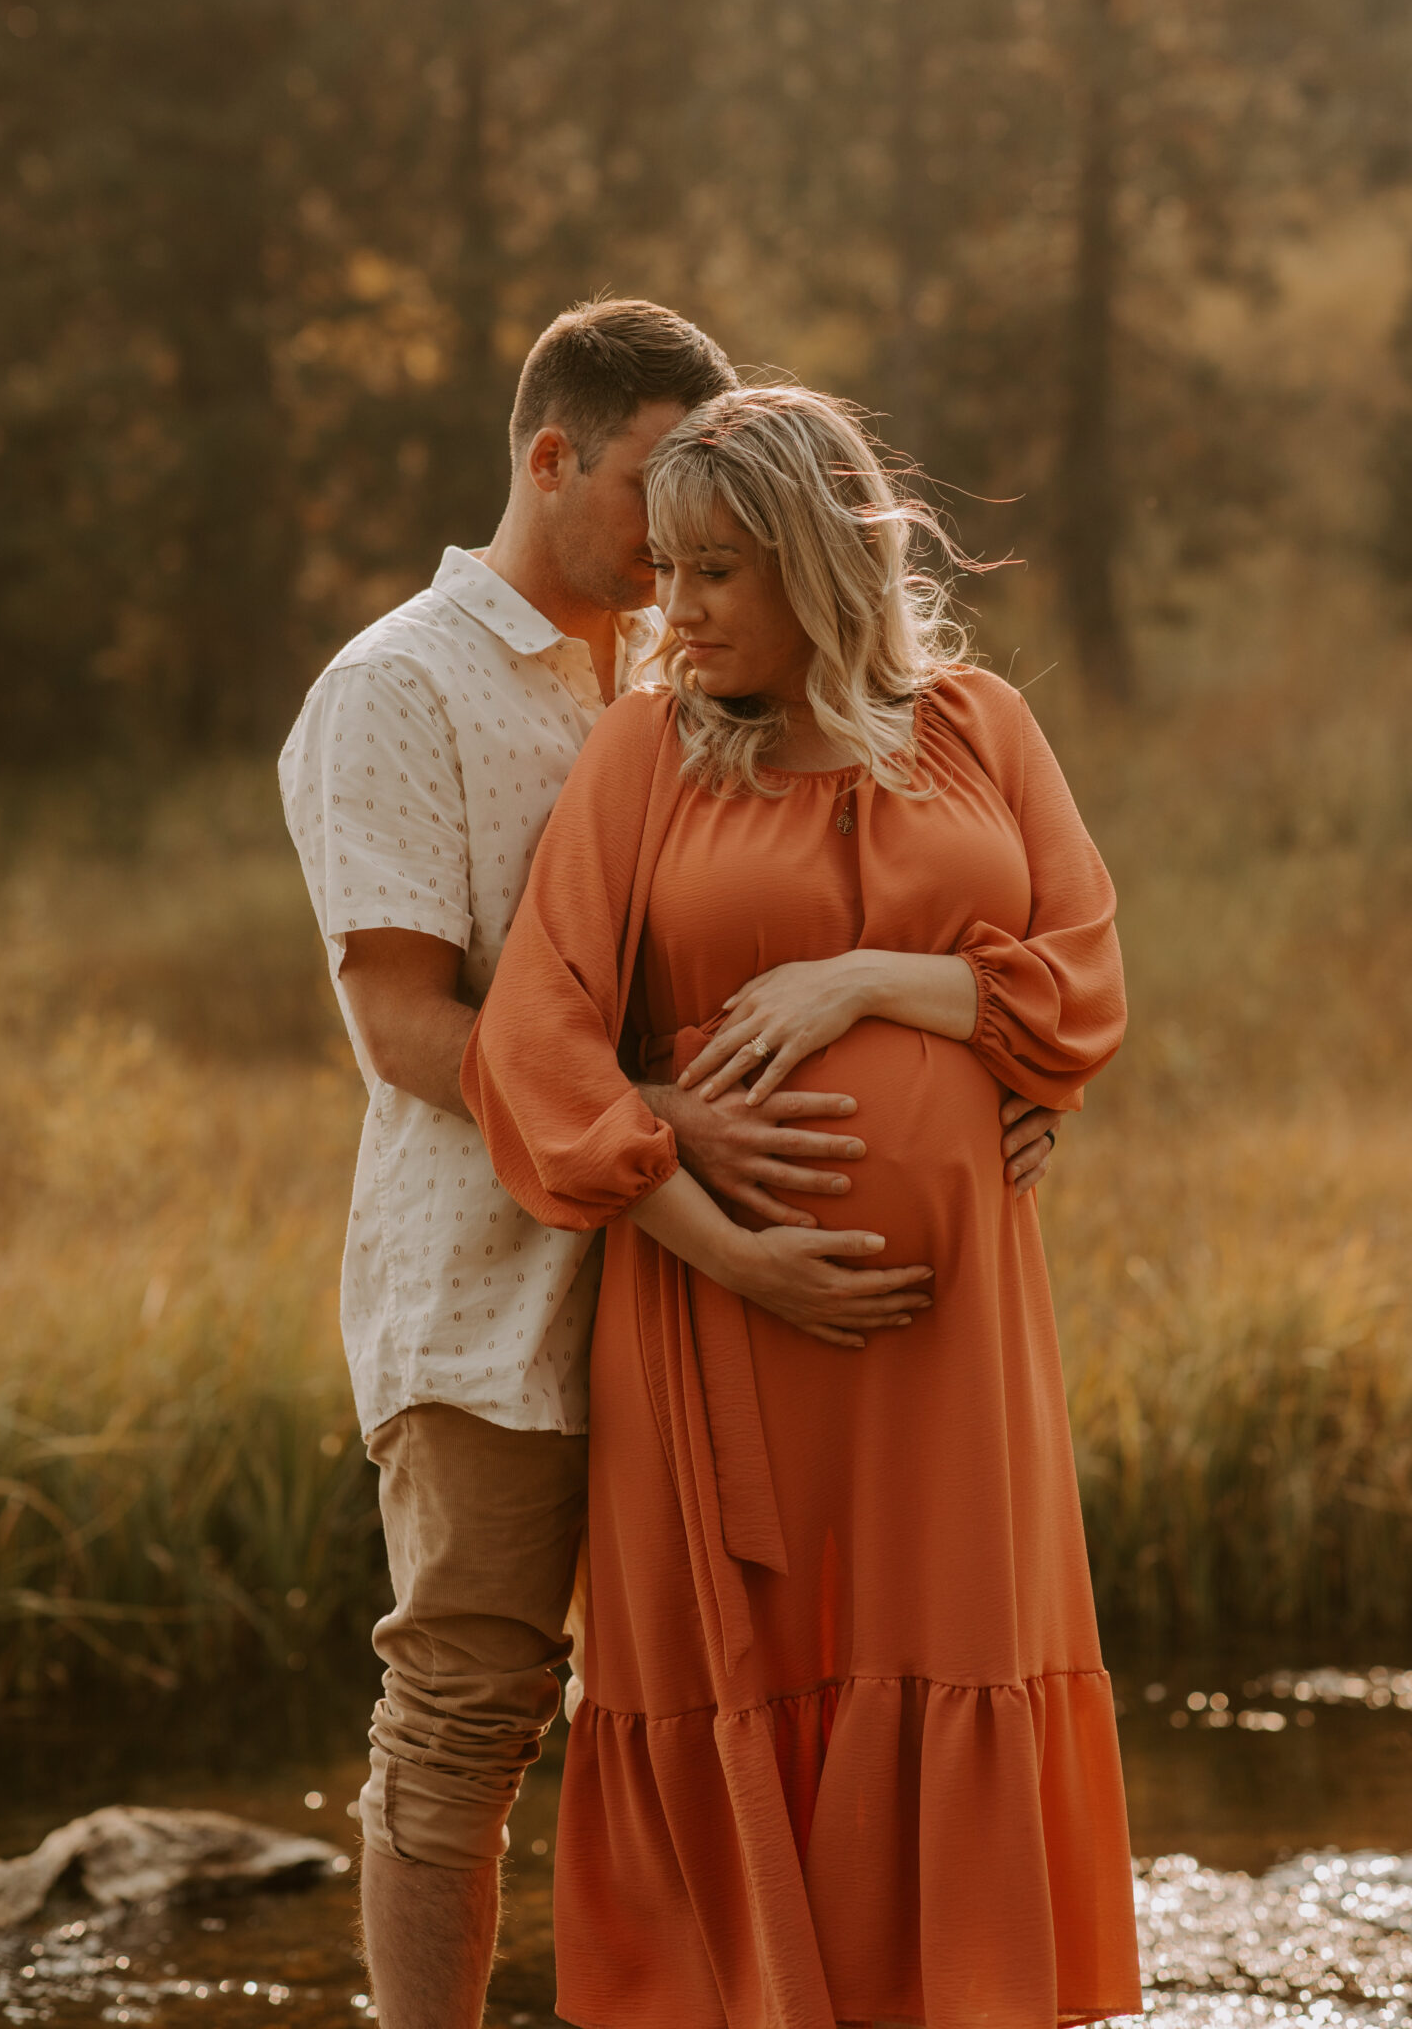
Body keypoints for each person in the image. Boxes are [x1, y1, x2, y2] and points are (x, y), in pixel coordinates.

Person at [280, 307, 1067, 2029]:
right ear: (550, 454)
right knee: (473, 1707)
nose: (669, 555)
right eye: (651, 497)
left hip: (707, 1312)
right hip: (498, 1286)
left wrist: (982, 1055)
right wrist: (670, 1131)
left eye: (710, 538)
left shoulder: (665, 668)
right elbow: (410, 1029)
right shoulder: (397, 688)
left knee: (795, 1687)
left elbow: (1008, 932)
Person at [469, 385, 1143, 2029]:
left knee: (953, 1654)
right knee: (736, 1684)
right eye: (665, 568)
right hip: (715, 1326)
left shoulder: (980, 725)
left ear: (817, 567)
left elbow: (1081, 979)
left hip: (952, 1346)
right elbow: (533, 1040)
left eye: (713, 573)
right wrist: (727, 1246)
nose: (672, 610)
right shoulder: (645, 753)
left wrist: (878, 985)